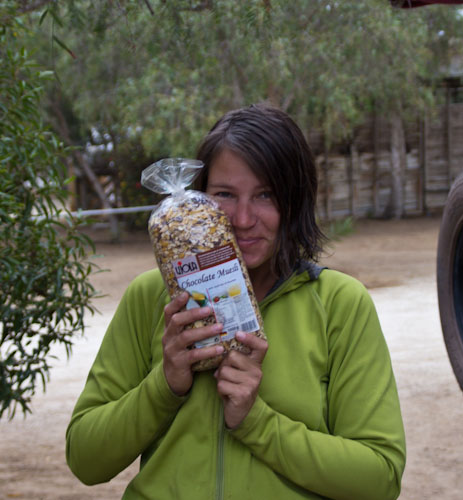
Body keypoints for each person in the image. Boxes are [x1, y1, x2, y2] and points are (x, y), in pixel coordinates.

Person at [66, 103, 407, 499]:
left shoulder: (339, 305)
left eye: (266, 195)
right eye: (224, 194)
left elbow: (379, 478)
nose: (243, 219)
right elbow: (85, 459)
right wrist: (163, 388)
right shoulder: (152, 298)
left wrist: (256, 421)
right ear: (199, 200)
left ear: (295, 202)